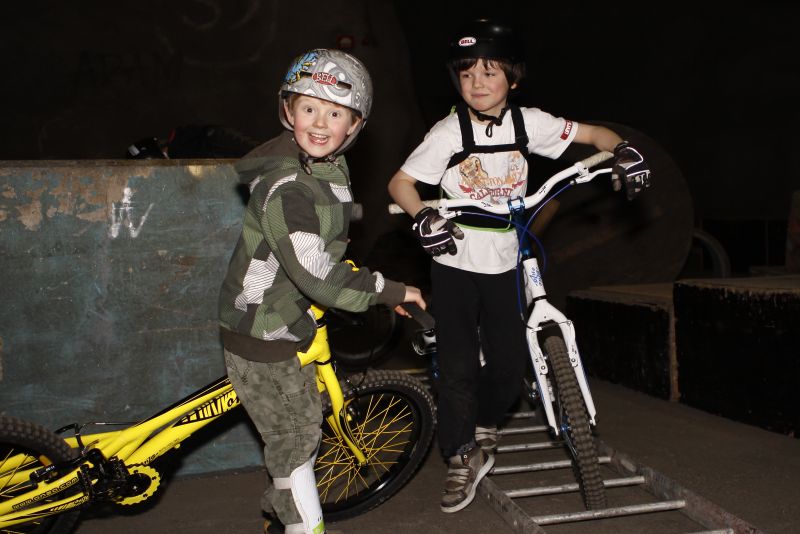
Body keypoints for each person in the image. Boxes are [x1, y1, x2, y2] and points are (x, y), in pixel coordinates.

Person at [388, 19, 651, 514]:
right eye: (467, 74)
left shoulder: (529, 123)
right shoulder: (448, 131)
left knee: (509, 367)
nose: (477, 83)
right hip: (455, 259)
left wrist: (622, 150)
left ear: (513, 78)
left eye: (489, 72)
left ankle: (486, 424)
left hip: (508, 256)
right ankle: (461, 454)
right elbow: (401, 183)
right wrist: (422, 214)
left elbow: (593, 133)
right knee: (459, 365)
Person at [219, 48, 426, 534]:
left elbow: (320, 242)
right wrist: (387, 290)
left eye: (335, 113)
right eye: (308, 108)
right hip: (266, 331)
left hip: (279, 313)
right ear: (288, 111)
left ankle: (280, 514)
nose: (319, 122)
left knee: (298, 423)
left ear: (354, 126)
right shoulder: (289, 187)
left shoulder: (320, 166)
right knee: (295, 440)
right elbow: (316, 273)